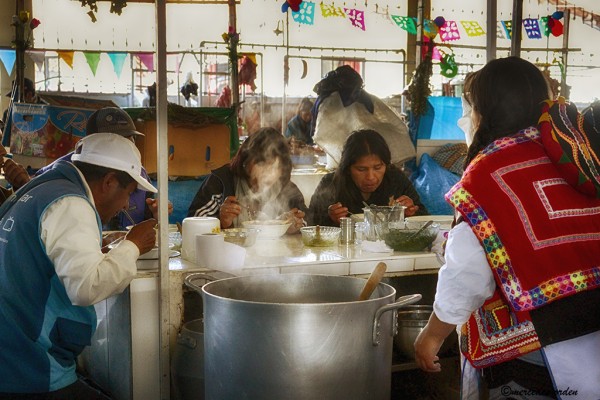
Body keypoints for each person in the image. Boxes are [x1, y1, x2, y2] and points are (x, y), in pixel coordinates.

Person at [414, 57, 600, 399]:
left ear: (482, 113)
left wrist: (433, 333)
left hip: (533, 354)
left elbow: (468, 273)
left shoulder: (487, 176)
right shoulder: (574, 158)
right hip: (592, 339)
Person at [0, 132, 158, 398]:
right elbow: (86, 286)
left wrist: (100, 247)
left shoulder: (45, 189)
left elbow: (45, 254)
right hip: (29, 365)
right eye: (128, 193)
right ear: (109, 182)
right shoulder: (71, 204)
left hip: (13, 349)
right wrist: (133, 245)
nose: (126, 205)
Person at [2, 107, 173, 229]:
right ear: (94, 142)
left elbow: (147, 220)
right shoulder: (60, 173)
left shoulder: (137, 172)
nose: (128, 146)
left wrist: (155, 215)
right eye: (118, 140)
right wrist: (21, 185)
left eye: (130, 139)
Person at [187, 127, 306, 232]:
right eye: (262, 164)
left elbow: (308, 223)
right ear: (246, 161)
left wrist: (294, 224)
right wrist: (221, 220)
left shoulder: (287, 189)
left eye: (276, 167)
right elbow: (193, 223)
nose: (268, 173)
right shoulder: (221, 181)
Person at [307, 129, 427, 227]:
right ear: (348, 168)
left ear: (386, 164)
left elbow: (425, 218)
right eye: (361, 169)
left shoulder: (396, 180)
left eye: (378, 167)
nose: (370, 177)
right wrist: (331, 219)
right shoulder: (331, 184)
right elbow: (309, 224)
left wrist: (411, 213)